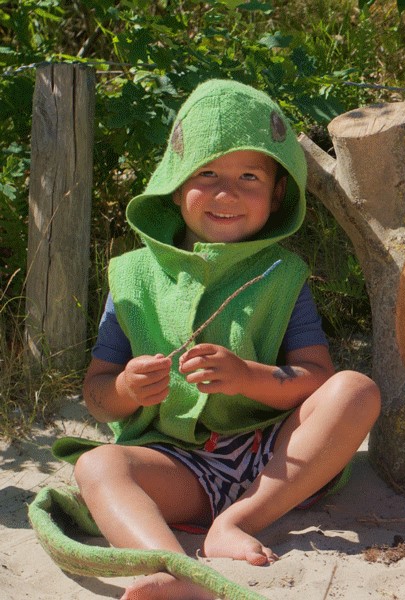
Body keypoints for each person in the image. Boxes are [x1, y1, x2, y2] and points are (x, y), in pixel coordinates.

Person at [52, 79, 381, 600]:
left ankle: (239, 522)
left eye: (249, 176)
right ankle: (169, 571)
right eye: (207, 173)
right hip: (178, 464)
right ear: (177, 183)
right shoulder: (133, 276)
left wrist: (248, 377)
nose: (226, 193)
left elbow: (315, 379)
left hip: (273, 458)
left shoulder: (282, 273)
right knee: (97, 465)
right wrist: (128, 391)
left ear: (277, 194)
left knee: (356, 389)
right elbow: (98, 396)